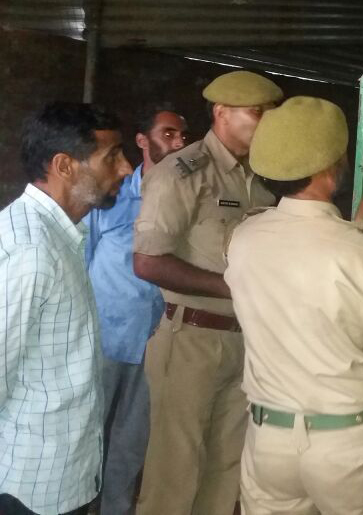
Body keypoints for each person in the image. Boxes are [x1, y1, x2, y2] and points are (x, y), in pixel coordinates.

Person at [225, 96, 363, 515]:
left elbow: (302, 267)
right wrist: (361, 235)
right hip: (350, 449)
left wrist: (358, 227)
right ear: (330, 170)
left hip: (267, 443)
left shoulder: (243, 240)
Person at [131, 70, 282, 515]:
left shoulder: (261, 177)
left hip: (245, 340)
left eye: (270, 112)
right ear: (221, 113)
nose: (265, 121)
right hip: (192, 340)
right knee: (174, 474)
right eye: (257, 112)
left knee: (225, 471)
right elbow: (148, 261)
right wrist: (235, 288)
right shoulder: (182, 173)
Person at [0, 102, 133, 514]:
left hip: (59, 475)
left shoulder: (59, 235)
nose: (126, 168)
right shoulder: (32, 250)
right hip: (29, 487)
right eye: (111, 156)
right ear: (64, 165)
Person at [83, 103, 187, 514]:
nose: (178, 142)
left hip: (155, 341)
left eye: (181, 135)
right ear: (142, 141)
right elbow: (82, 260)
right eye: (168, 134)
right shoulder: (108, 198)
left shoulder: (185, 197)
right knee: (88, 435)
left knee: (132, 440)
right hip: (106, 339)